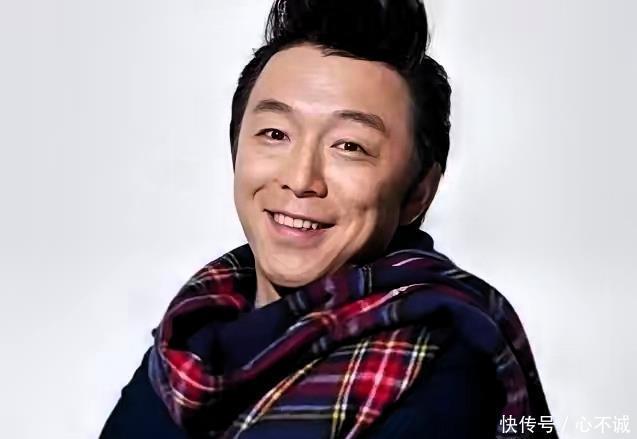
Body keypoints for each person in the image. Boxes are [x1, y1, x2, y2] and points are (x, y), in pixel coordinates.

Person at [101, 0, 558, 437]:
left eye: (349, 146)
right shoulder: (187, 342)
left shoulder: (443, 375)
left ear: (419, 192)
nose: (300, 179)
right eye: (274, 133)